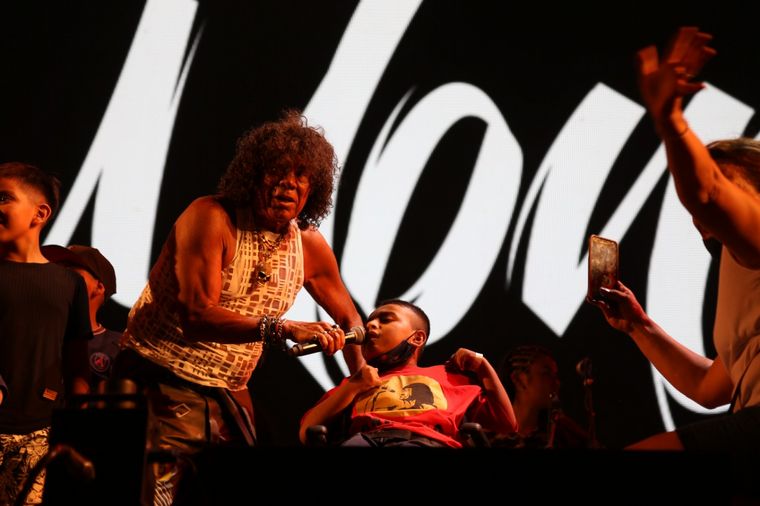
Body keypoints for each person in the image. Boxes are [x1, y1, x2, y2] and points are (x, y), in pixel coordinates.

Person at [113, 109, 364, 502]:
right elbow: (196, 317)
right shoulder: (211, 217)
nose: (288, 184)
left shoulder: (309, 245)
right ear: (252, 175)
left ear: (313, 188)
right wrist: (281, 328)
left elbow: (350, 319)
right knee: (157, 493)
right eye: (276, 172)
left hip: (229, 389)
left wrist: (362, 380)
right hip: (159, 374)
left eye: (301, 175)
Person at [595, 27, 760, 452]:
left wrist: (670, 119)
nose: (696, 215)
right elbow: (709, 387)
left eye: (724, 179)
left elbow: (707, 193)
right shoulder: (739, 266)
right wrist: (639, 326)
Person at [298, 299, 518, 447]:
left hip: (425, 441)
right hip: (364, 440)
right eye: (369, 321)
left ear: (417, 338)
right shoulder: (354, 383)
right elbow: (307, 432)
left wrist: (481, 365)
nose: (371, 325)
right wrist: (353, 386)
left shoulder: (449, 376)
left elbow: (506, 423)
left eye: (385, 319)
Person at [0, 162, 91, 505]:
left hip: (39, 435)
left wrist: (76, 425)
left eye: (4, 198)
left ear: (39, 213)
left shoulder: (68, 283)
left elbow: (76, 363)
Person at [42, 244, 121, 393]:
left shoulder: (119, 347)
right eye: (55, 269)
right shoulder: (35, 335)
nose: (57, 276)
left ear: (99, 287)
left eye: (69, 271)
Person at [490, 345, 591, 449]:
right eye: (546, 373)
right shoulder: (489, 436)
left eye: (555, 375)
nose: (557, 383)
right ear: (519, 380)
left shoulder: (564, 435)